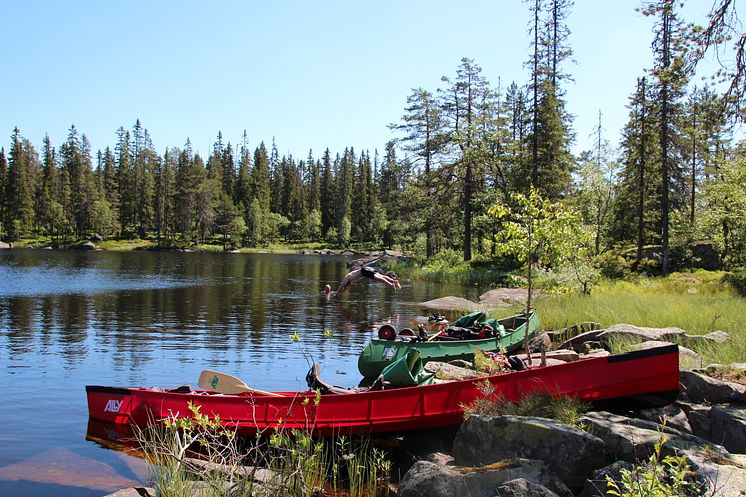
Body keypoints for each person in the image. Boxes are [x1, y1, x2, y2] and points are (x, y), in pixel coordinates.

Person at [325, 266, 401, 298]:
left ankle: (391, 284)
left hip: (364, 271)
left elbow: (341, 287)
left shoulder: (346, 279)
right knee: (382, 276)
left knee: (379, 279)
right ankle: (394, 281)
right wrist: (339, 294)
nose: (347, 285)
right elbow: (344, 289)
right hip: (366, 268)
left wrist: (336, 295)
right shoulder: (349, 279)